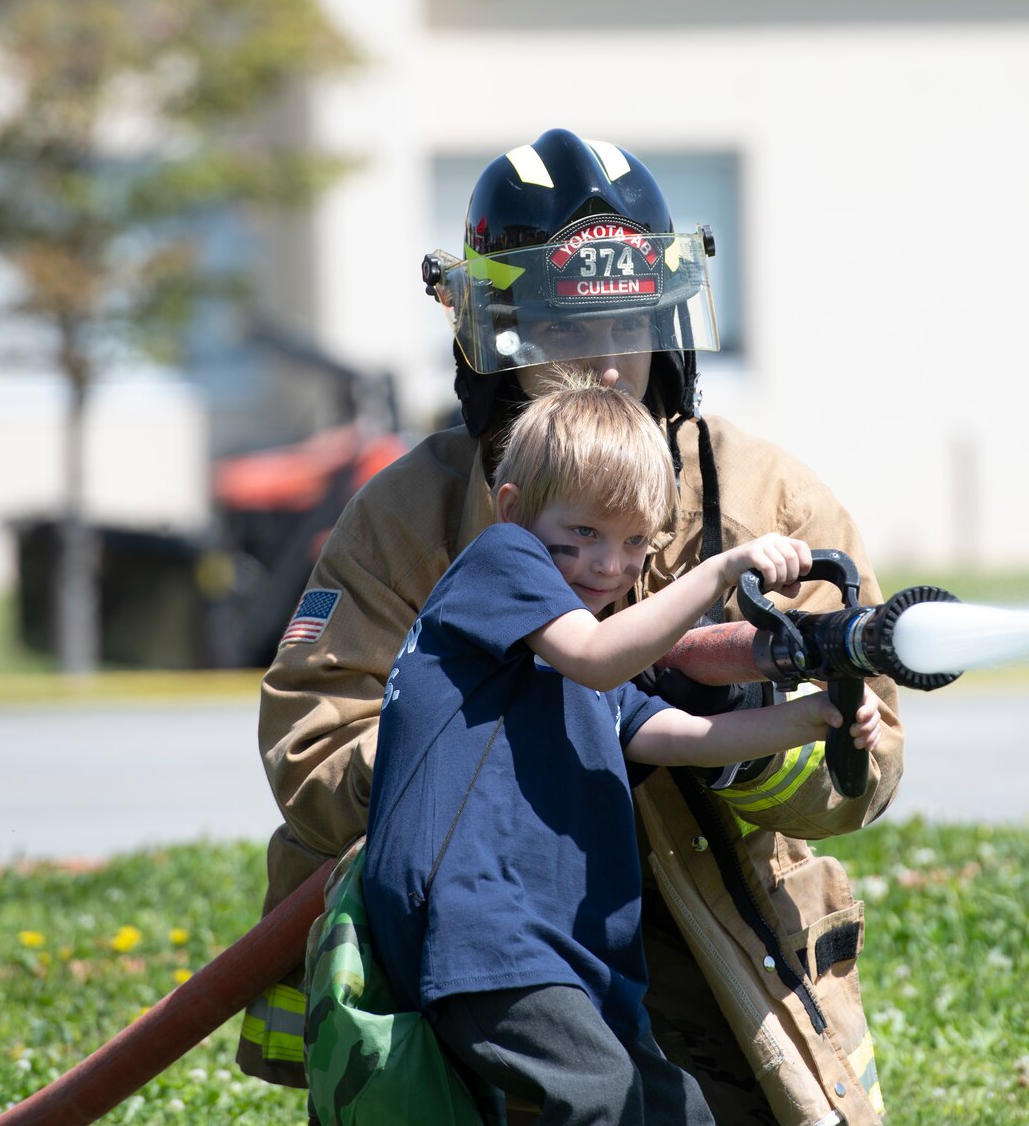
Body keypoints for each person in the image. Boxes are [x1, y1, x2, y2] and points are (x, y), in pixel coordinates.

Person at [240, 129, 900, 1126]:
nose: (600, 366)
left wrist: (776, 724)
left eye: (626, 327)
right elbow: (312, 732)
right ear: (493, 335)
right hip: (479, 941)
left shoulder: (764, 497)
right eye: (561, 330)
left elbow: (867, 763)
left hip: (705, 935)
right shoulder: (411, 518)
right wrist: (470, 761)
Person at [361, 379, 881, 1126]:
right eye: (582, 534)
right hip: (482, 929)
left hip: (565, 952)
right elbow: (599, 656)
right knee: (602, 1098)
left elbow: (685, 737)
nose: (609, 564)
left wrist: (818, 716)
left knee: (677, 1112)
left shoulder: (577, 661)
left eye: (636, 542)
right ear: (514, 510)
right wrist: (722, 571)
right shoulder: (501, 564)